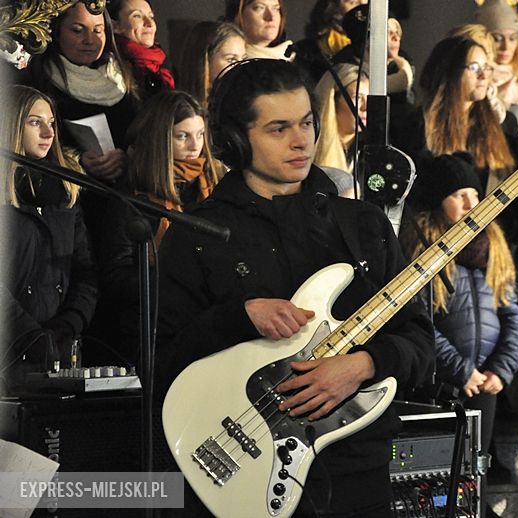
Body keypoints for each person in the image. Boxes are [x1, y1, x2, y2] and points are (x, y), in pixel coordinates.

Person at [154, 58, 434, 516]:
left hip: (355, 468)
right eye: (278, 128)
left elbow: (420, 341)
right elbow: (163, 361)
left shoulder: (363, 224)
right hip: (242, 470)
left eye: (306, 122)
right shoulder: (199, 233)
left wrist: (364, 364)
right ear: (236, 141)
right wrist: (238, 316)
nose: (301, 140)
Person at [400, 152, 518, 463]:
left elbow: (511, 314)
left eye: (475, 194)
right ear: (439, 201)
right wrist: (460, 371)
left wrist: (501, 369)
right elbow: (420, 319)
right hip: (443, 382)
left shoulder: (493, 245)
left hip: (486, 380)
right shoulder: (422, 247)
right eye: (459, 195)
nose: (471, 204)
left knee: (477, 464)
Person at [92, 90, 218, 369]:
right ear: (161, 138)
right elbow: (114, 275)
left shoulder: (213, 184)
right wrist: (171, 284)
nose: (194, 145)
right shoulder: (133, 197)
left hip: (207, 327)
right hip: (152, 332)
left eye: (200, 134)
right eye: (182, 136)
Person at [0, 85, 97, 383]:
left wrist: (68, 324)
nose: (48, 132)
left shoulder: (64, 192)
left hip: (57, 351)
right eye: (34, 122)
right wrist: (29, 334)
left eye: (52, 122)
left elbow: (86, 273)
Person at [391, 35, 518, 198]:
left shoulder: (503, 124)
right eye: (473, 67)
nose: (483, 75)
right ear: (449, 71)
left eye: (486, 67)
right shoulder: (416, 126)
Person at [26, 2, 137, 183]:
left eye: (98, 30)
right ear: (56, 31)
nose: (89, 40)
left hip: (124, 191)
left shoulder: (124, 77)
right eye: (78, 30)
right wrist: (77, 160)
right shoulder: (38, 82)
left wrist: (126, 158)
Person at [474, 0, 518, 108]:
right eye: (497, 39)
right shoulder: (474, 80)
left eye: (512, 38)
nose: (506, 47)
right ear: (483, 40)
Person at [108, 0, 175, 100]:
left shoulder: (163, 63)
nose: (149, 24)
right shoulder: (111, 68)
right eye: (137, 16)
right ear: (115, 26)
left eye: (151, 17)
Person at [175, 21, 247, 110]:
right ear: (205, 60)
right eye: (231, 60)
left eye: (243, 59)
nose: (241, 68)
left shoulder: (245, 105)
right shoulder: (182, 111)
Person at [313, 62, 367, 178]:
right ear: (332, 100)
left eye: (369, 98)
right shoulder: (308, 148)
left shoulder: (370, 151)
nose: (366, 107)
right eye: (357, 97)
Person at [296, 0, 368, 82]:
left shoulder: (373, 46)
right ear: (334, 5)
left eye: (366, 3)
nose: (363, 9)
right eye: (353, 2)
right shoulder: (307, 50)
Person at [224, 0, 293, 60]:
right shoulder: (228, 64)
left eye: (276, 9)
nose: (271, 17)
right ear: (238, 16)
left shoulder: (297, 60)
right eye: (259, 8)